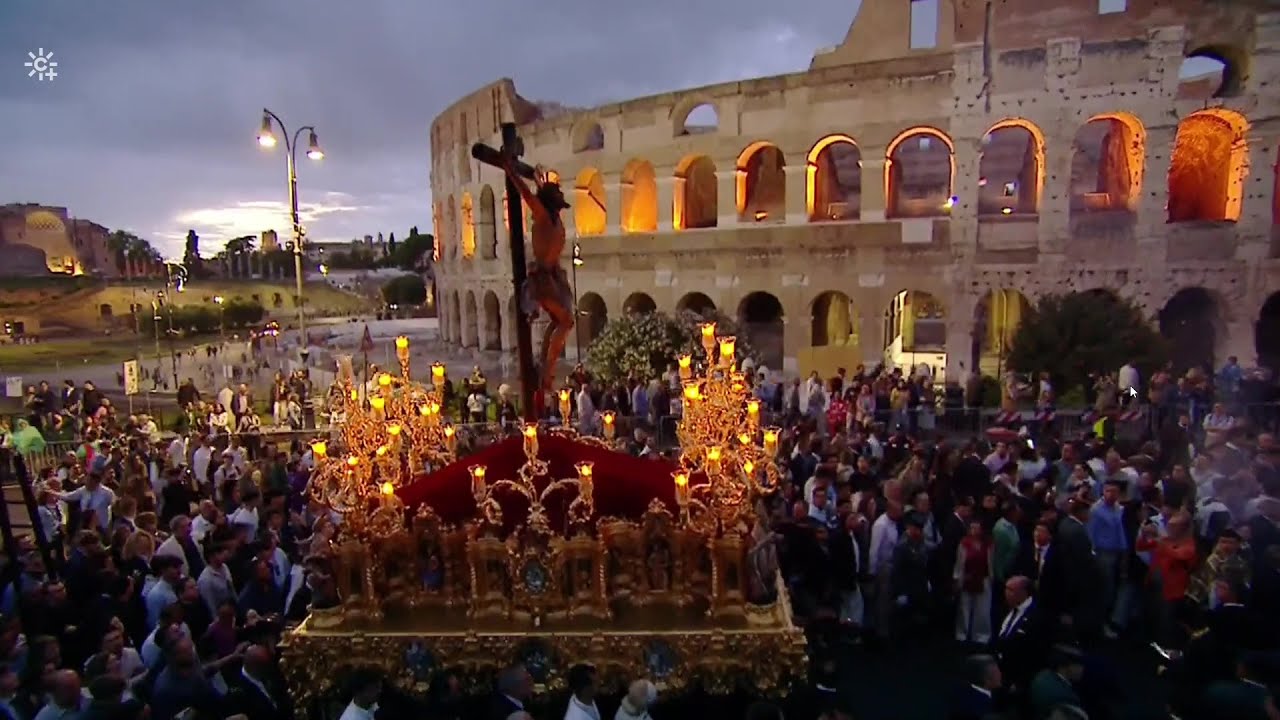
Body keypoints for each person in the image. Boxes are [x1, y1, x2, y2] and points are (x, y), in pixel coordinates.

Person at [501, 154, 574, 394]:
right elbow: (527, 196)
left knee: (562, 321)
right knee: (564, 320)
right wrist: (511, 172)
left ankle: (546, 365)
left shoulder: (553, 218)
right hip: (542, 277)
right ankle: (546, 369)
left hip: (552, 274)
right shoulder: (542, 214)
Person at [951, 654, 1001, 720]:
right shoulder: (982, 710)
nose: (1001, 674)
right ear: (987, 680)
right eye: (997, 672)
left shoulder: (962, 693)